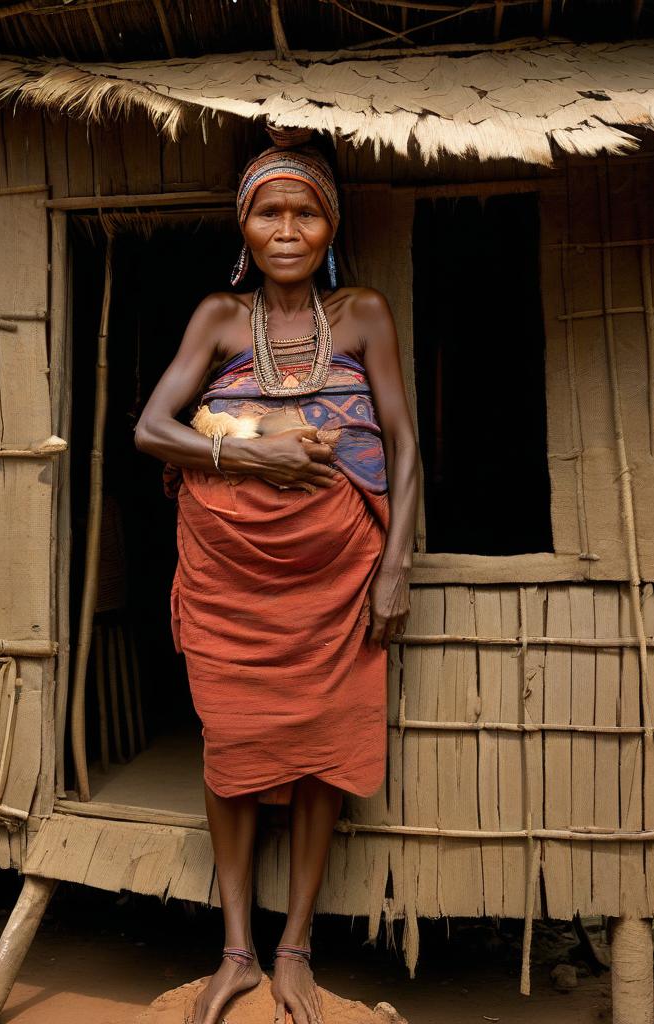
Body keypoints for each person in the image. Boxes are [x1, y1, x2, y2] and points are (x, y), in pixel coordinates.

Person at [134, 131, 420, 1024]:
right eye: (269, 211)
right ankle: (235, 954)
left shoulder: (365, 312)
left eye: (305, 211)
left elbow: (405, 446)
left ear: (329, 222)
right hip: (229, 579)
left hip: (339, 575)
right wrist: (256, 461)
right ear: (244, 225)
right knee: (231, 748)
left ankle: (293, 950)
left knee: (320, 756)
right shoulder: (220, 318)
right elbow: (151, 428)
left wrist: (396, 568)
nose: (287, 228)